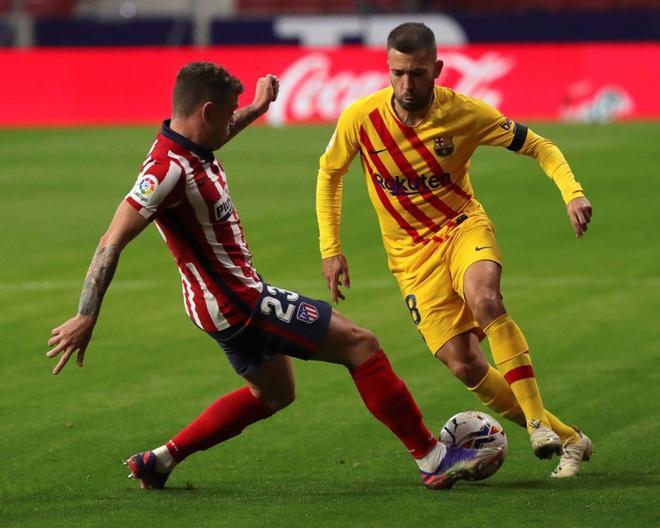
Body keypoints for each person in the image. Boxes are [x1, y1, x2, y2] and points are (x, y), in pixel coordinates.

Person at [46, 62, 501, 491]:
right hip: (238, 300)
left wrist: (256, 110)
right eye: (226, 115)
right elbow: (111, 241)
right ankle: (431, 457)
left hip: (216, 307)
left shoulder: (188, 146)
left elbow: (214, 137)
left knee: (274, 394)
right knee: (361, 345)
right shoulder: (166, 171)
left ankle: (160, 460)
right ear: (205, 111)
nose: (229, 125)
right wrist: (86, 315)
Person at [316, 23, 594, 478]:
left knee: (486, 299)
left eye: (417, 73)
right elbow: (329, 174)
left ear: (437, 70)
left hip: (461, 226)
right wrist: (331, 248)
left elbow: (539, 146)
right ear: (388, 69)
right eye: (397, 73)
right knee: (464, 365)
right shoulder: (361, 119)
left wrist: (572, 192)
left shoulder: (464, 113)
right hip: (410, 259)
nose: (406, 84)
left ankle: (538, 424)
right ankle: (570, 439)